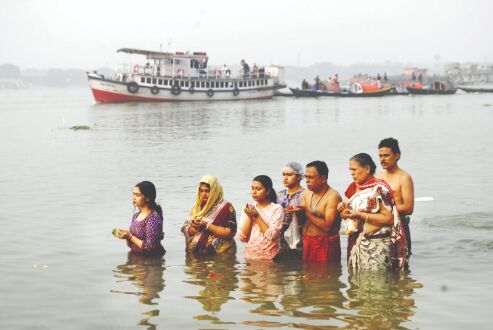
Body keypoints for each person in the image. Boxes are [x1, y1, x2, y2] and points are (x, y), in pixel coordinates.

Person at [337, 153, 408, 271]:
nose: (351, 173)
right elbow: (347, 208)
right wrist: (342, 209)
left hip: (376, 245)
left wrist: (360, 215)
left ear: (367, 168)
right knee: (356, 284)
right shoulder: (353, 187)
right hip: (355, 243)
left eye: (354, 169)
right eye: (350, 169)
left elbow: (389, 219)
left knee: (377, 285)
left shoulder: (380, 189)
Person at [375, 138, 414, 256]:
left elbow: (409, 208)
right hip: (379, 229)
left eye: (386, 155)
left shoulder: (404, 177)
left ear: (397, 156)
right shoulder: (377, 176)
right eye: (380, 156)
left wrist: (382, 208)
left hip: (399, 228)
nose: (382, 159)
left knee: (402, 269)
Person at [299, 161, 342, 263]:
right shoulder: (306, 193)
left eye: (311, 177)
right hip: (307, 241)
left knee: (325, 276)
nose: (307, 181)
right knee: (308, 276)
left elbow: (328, 227)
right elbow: (302, 219)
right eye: (306, 177)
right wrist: (295, 213)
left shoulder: (333, 197)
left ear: (323, 179)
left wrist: (305, 213)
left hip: (326, 243)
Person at [182, 175, 237, 255]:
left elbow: (230, 232)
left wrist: (206, 225)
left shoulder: (225, 207)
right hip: (197, 255)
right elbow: (186, 228)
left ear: (214, 190)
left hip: (221, 254)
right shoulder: (197, 207)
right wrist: (194, 227)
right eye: (201, 190)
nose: (203, 194)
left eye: (207, 191)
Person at [238, 175, 283, 260]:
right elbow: (243, 238)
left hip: (269, 257)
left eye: (258, 189)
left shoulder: (276, 209)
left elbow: (272, 236)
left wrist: (256, 216)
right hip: (250, 256)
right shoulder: (248, 208)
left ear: (268, 191)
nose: (254, 192)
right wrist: (250, 217)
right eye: (252, 188)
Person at [115, 181, 165, 255]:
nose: (134, 198)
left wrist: (130, 236)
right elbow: (131, 245)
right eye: (133, 195)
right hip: (136, 259)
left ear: (147, 198)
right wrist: (125, 236)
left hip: (151, 262)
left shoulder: (153, 218)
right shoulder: (135, 216)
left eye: (137, 195)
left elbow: (150, 247)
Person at [276, 162, 305, 258]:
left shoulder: (305, 194)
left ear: (298, 176)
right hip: (280, 237)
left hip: (299, 236)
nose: (285, 178)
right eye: (283, 175)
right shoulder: (279, 195)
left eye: (289, 175)